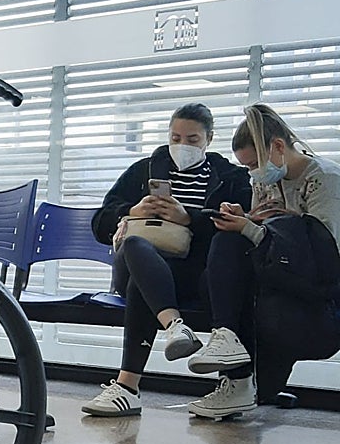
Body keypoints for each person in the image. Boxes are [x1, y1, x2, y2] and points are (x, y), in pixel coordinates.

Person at [81, 104, 251, 417]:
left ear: (209, 139)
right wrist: (132, 212)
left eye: (192, 139)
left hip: (200, 273)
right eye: (176, 137)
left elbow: (237, 229)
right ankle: (174, 328)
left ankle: (128, 386)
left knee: (141, 286)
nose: (182, 146)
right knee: (135, 247)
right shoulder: (143, 170)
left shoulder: (230, 178)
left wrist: (190, 219)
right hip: (147, 261)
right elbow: (99, 223)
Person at [185, 104, 340, 418]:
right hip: (274, 278)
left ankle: (236, 370)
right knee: (226, 243)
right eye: (248, 168)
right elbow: (262, 233)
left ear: (279, 147)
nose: (253, 174)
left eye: (255, 164)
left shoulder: (325, 178)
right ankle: (229, 349)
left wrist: (254, 229)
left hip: (317, 290)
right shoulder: (265, 181)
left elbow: (324, 258)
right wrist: (246, 219)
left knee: (237, 253)